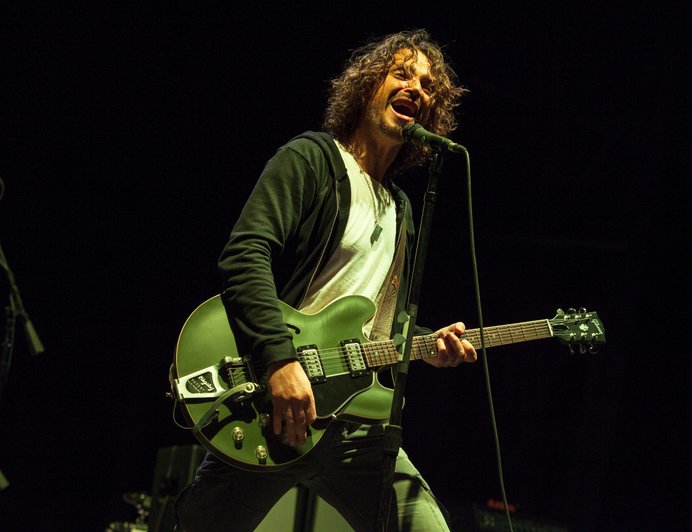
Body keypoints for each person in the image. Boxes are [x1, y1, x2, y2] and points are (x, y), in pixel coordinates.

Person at [174, 28, 476, 531]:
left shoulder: (402, 210)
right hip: (278, 403)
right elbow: (244, 254)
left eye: (427, 86)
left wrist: (426, 345)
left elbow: (381, 328)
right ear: (365, 87)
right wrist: (279, 361)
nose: (416, 88)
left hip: (359, 428)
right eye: (402, 73)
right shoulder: (312, 158)